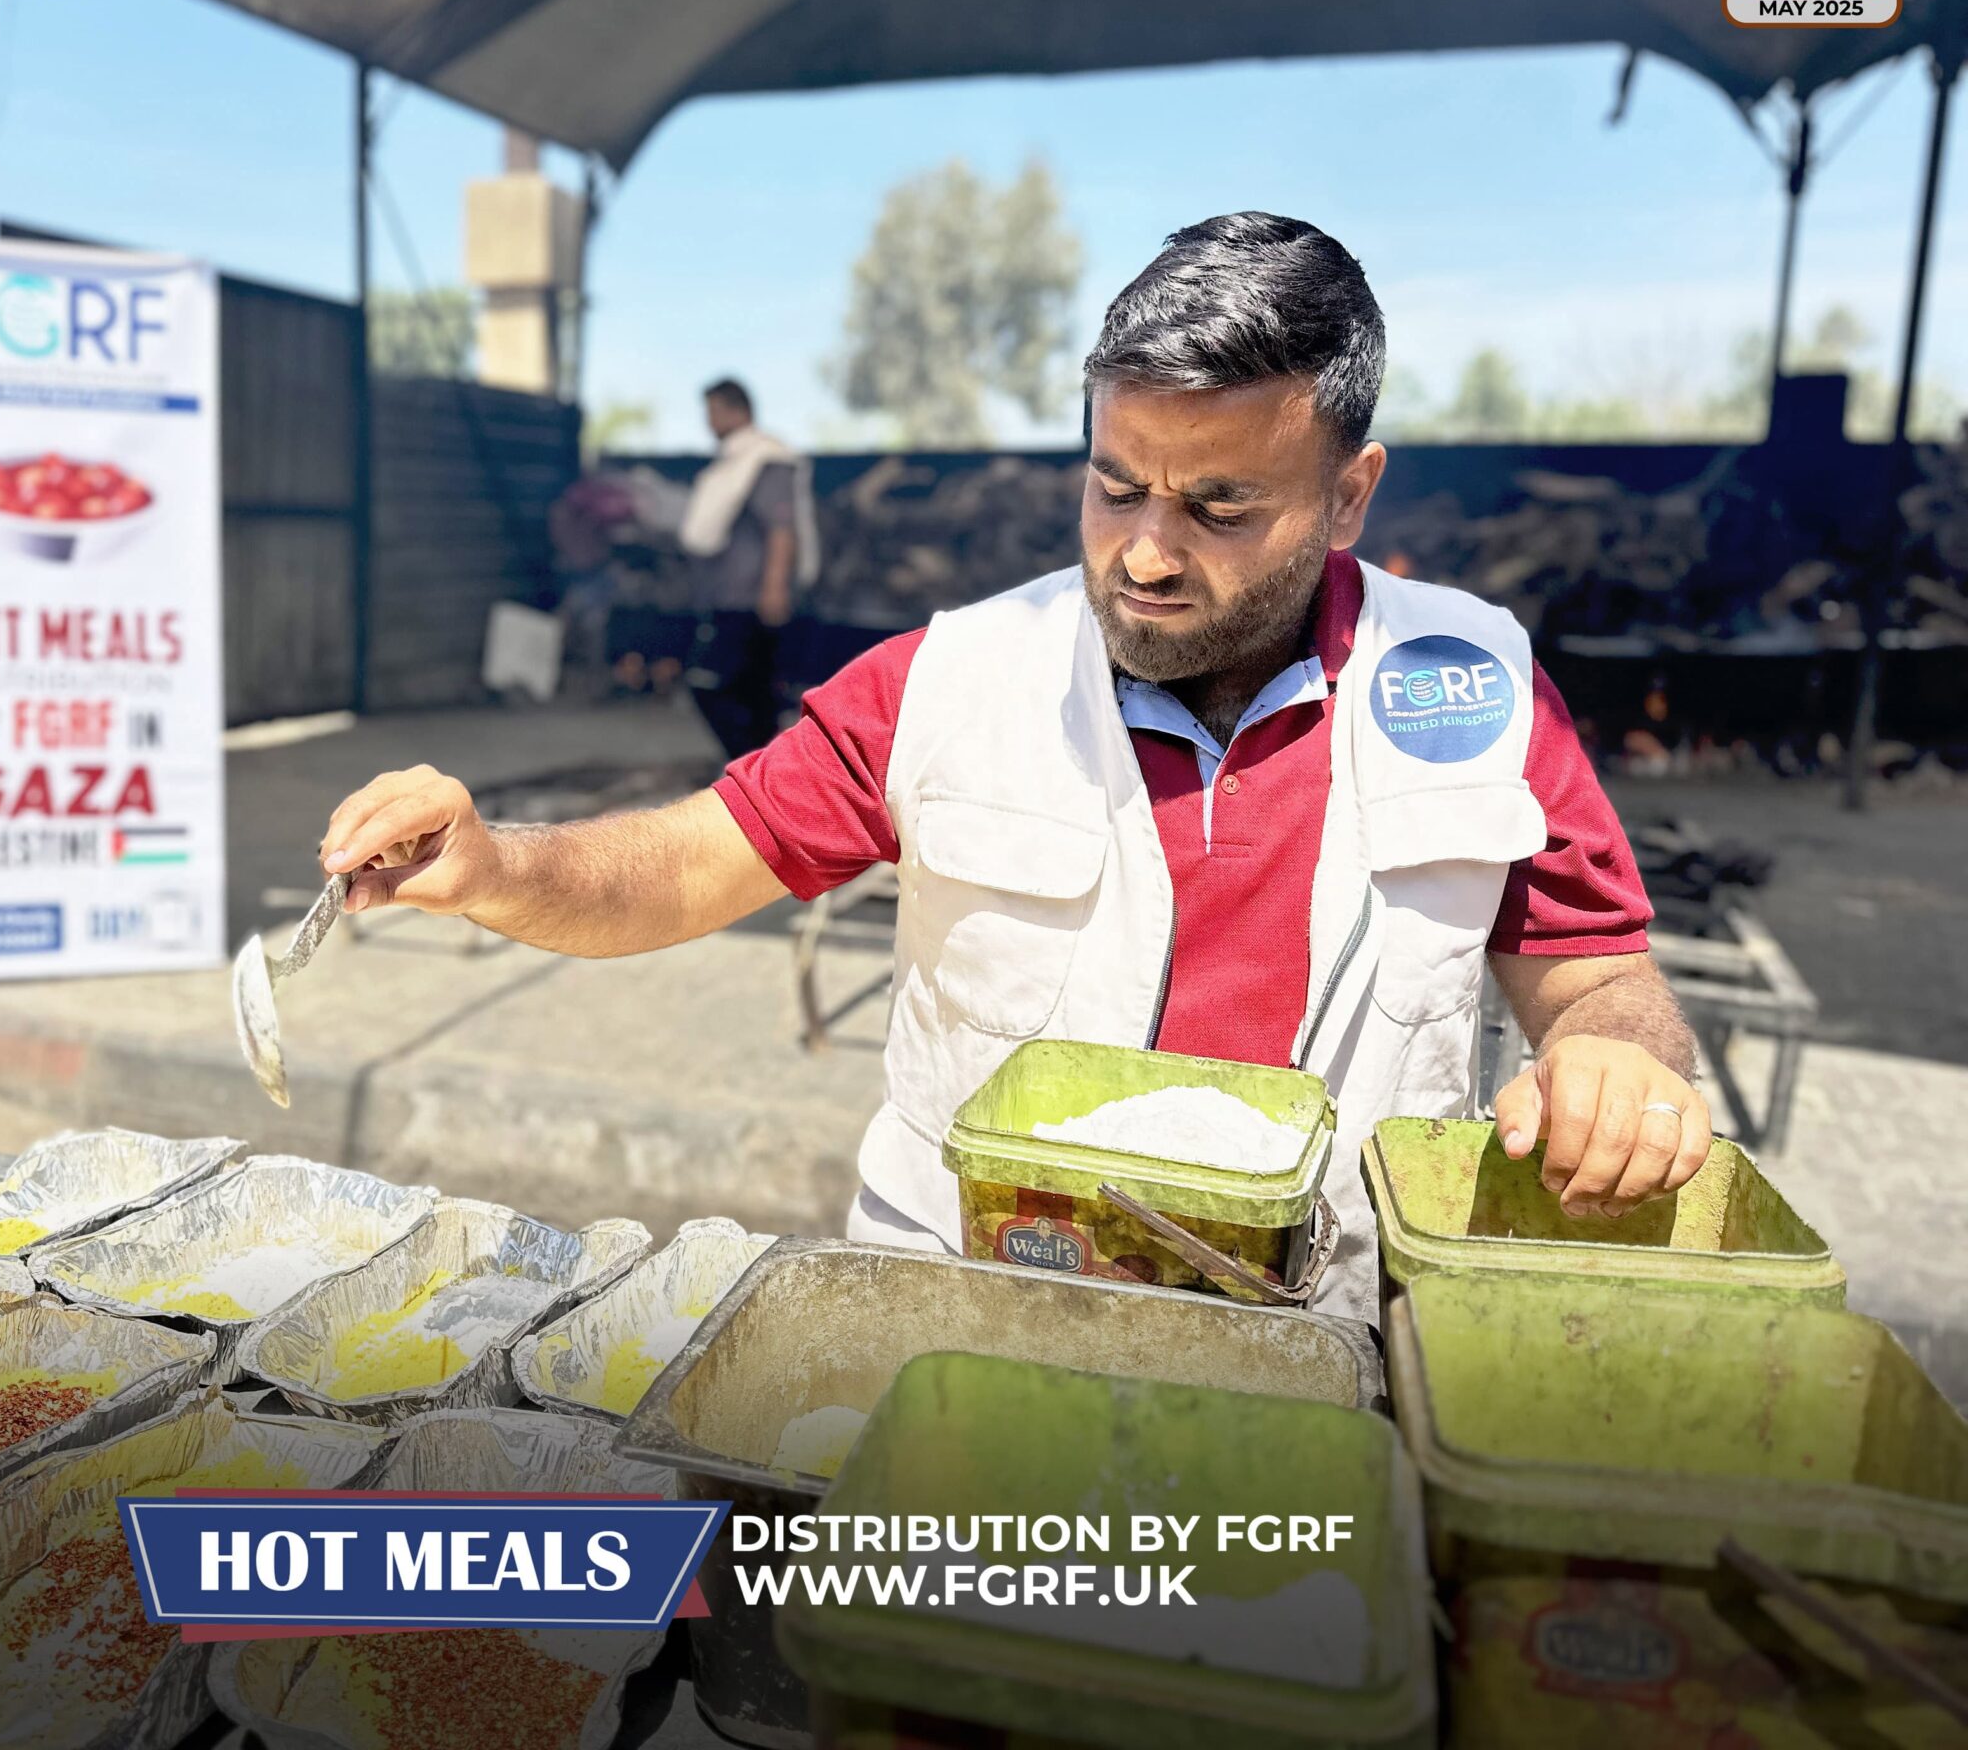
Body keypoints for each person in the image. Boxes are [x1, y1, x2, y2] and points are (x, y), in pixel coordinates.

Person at [314, 214, 1710, 1320]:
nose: (1147, 551)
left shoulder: (1468, 685)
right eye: (1115, 486)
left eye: (1220, 506)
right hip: (974, 1328)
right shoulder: (951, 680)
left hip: (1332, 1349)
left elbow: (1595, 974)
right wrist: (497, 868)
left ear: (1349, 496)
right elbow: (683, 867)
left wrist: (1615, 1059)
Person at [677, 379, 819, 757]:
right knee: (752, 693)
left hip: (751, 600)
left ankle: (755, 770)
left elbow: (781, 527)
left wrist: (774, 587)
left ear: (735, 410)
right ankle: (756, 773)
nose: (708, 421)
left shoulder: (766, 459)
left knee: (716, 685)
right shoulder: (735, 462)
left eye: (713, 411)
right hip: (730, 598)